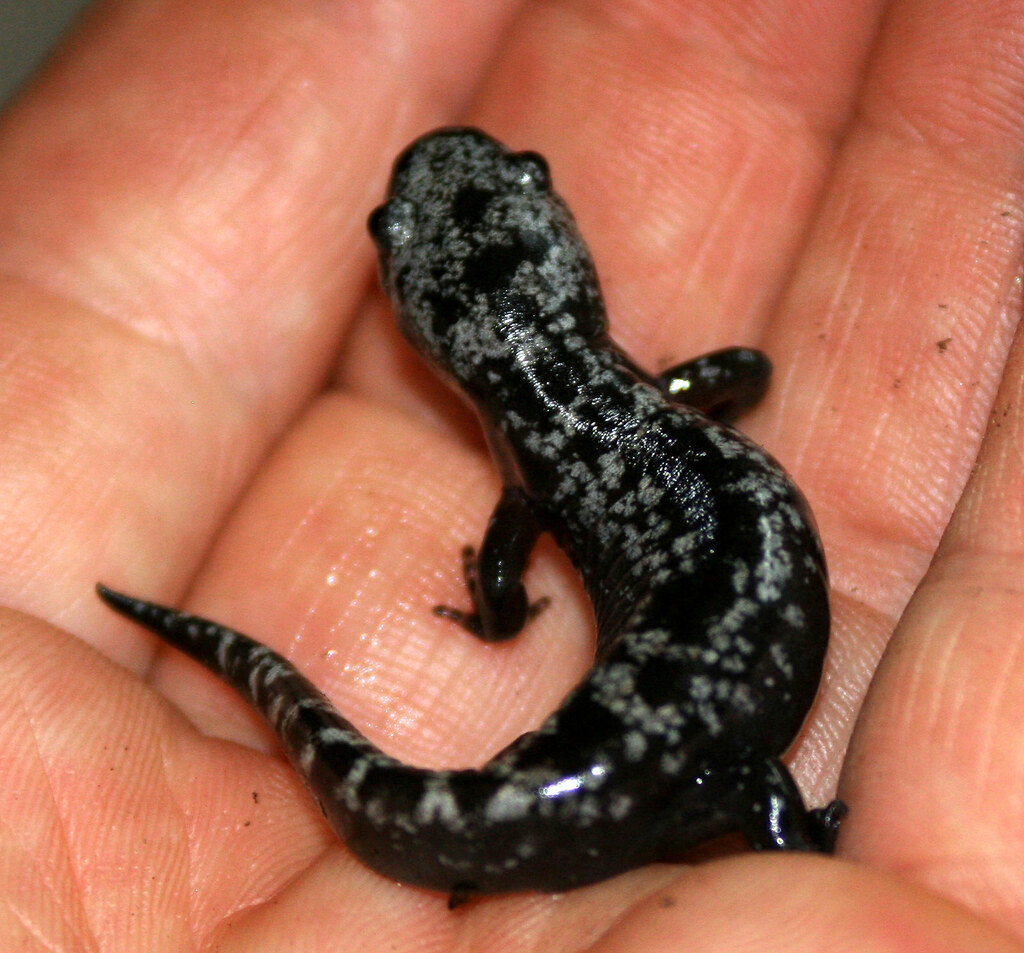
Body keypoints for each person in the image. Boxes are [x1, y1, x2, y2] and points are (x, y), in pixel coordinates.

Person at [0, 0, 1021, 949]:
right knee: (733, 779)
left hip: (675, 751)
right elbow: (743, 373)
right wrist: (717, 399)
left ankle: (522, 840)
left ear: (429, 334)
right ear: (562, 258)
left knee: (682, 770)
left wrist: (499, 617)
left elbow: (503, 578)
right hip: (716, 724)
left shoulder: (527, 474)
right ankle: (785, 855)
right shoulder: (654, 399)